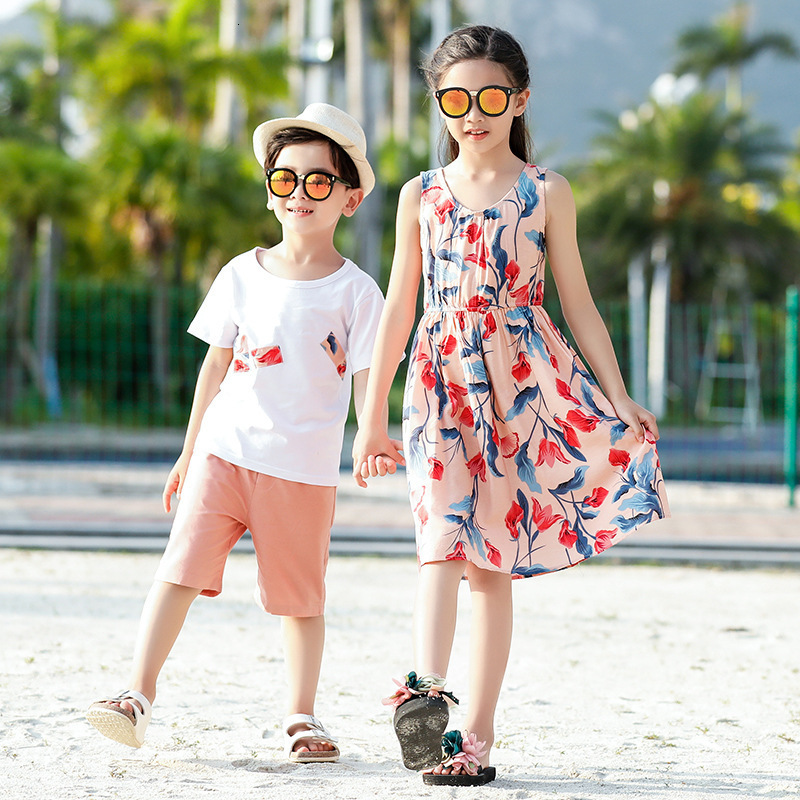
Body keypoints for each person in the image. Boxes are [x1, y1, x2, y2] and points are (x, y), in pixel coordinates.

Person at [352, 25, 669, 787]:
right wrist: (368, 418)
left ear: (520, 100)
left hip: (520, 386)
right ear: (438, 102)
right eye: (455, 99)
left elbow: (579, 304)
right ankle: (425, 695)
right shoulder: (420, 195)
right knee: (439, 537)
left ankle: (478, 739)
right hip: (439, 382)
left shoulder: (547, 191)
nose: (473, 114)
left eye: (490, 98)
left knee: (492, 562)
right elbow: (398, 308)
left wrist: (620, 397)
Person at [87, 103, 385, 763]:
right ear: (270, 191)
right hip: (223, 453)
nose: (299, 193)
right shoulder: (240, 274)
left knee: (301, 601)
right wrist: (188, 452)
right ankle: (136, 696)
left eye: (318, 180)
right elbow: (215, 367)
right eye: (285, 179)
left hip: (303, 470)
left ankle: (301, 717)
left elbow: (369, 375)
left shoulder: (359, 293)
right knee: (178, 572)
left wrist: (372, 433)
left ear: (350, 197)